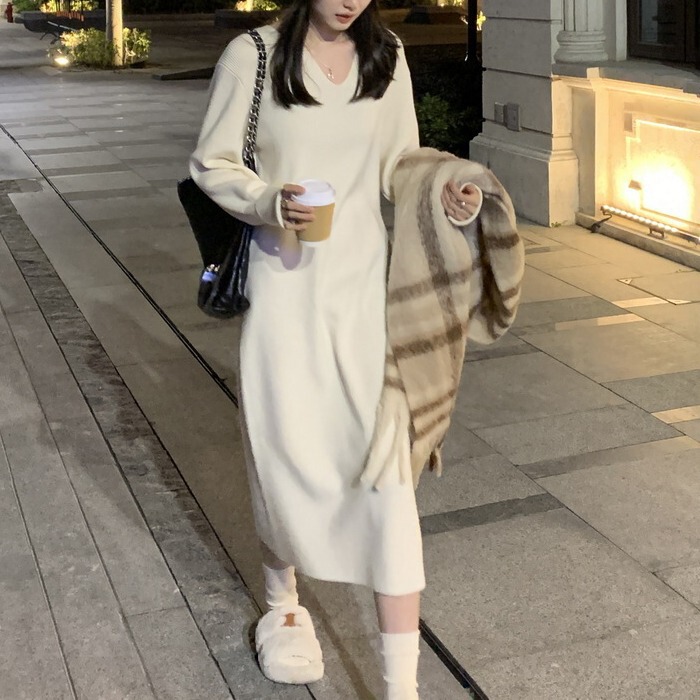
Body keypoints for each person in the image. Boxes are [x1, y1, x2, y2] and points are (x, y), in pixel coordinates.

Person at [189, 1, 482, 697]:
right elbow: (212, 161)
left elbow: (400, 165)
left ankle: (401, 686)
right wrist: (268, 201)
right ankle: (283, 603)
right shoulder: (254, 55)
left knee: (387, 477)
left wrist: (445, 191)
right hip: (283, 293)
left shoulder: (387, 57)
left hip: (363, 297)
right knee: (282, 451)